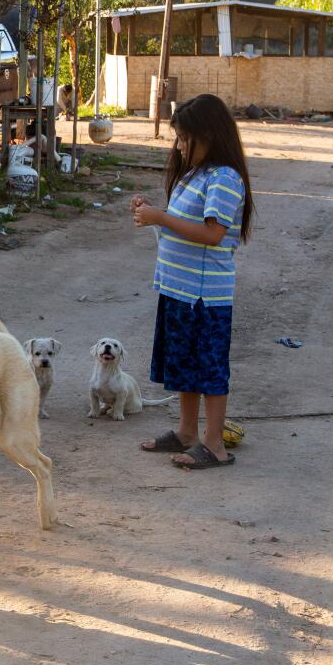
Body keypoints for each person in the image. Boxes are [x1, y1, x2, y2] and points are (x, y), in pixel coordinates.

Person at [129, 93, 254, 470]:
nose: (180, 147)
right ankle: (186, 432)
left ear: (209, 136)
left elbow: (213, 234)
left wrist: (161, 218)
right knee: (184, 365)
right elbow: (186, 223)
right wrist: (153, 212)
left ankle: (213, 444)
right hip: (179, 290)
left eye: (186, 139)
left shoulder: (225, 178)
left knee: (209, 369)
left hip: (205, 296)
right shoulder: (194, 175)